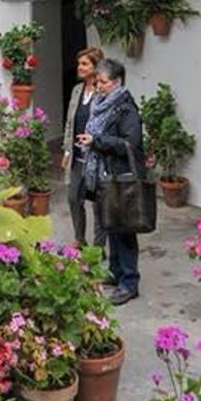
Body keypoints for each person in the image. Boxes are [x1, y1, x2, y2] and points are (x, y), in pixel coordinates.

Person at [75, 58, 143, 306]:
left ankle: (130, 282)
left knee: (124, 230)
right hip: (106, 174)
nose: (99, 86)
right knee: (111, 225)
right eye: (98, 81)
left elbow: (129, 144)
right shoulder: (102, 105)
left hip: (121, 176)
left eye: (103, 82)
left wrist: (97, 141)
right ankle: (115, 273)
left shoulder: (126, 108)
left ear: (117, 82)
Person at [62, 46, 106, 251]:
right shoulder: (77, 90)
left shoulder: (104, 91)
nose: (79, 67)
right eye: (79, 63)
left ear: (96, 67)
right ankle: (79, 238)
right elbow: (70, 122)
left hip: (97, 156)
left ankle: (98, 248)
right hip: (78, 155)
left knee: (99, 204)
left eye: (85, 63)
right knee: (73, 198)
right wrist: (67, 150)